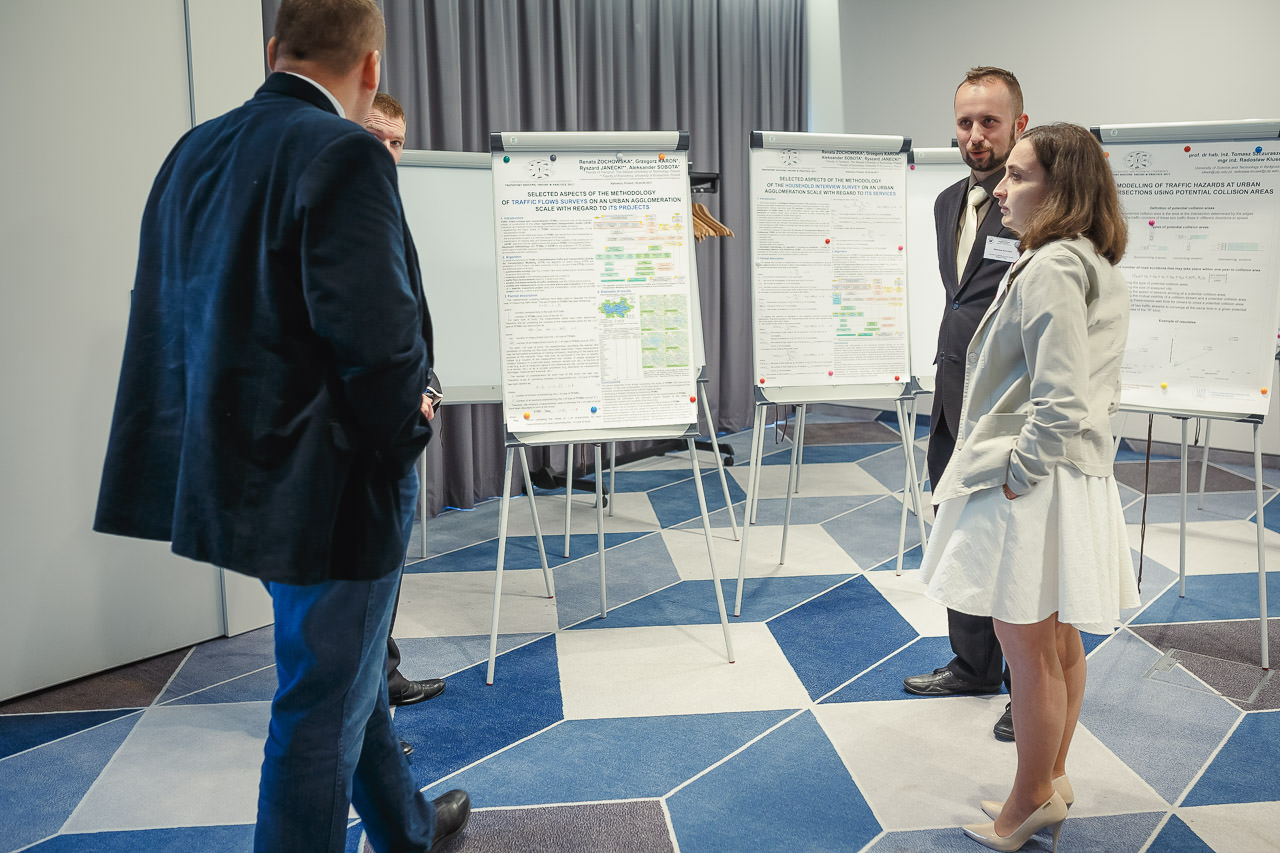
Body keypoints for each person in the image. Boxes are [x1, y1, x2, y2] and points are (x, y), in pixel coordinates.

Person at [92, 1, 469, 850]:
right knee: (319, 707)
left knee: (344, 672)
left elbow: (173, 312)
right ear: (370, 67)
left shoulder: (193, 150)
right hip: (337, 489)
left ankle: (407, 828)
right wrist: (413, 421)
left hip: (246, 475)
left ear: (274, 50)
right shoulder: (347, 153)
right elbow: (379, 342)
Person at [919, 122, 1139, 850]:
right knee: (1059, 639)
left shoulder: (1051, 266)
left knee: (1030, 652)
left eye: (1018, 176)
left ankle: (1028, 801)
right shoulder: (1090, 258)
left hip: (1036, 484)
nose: (1001, 189)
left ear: (1060, 188)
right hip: (1069, 478)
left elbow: (1059, 398)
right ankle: (1053, 779)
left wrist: (1017, 474)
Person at [904, 67, 1028, 744]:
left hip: (1007, 404)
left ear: (1019, 126)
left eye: (989, 122)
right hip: (952, 396)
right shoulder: (947, 200)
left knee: (1016, 547)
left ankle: (1026, 689)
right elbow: (962, 300)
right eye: (965, 122)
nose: (976, 135)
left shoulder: (1042, 202)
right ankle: (975, 664)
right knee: (957, 531)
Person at [363, 91, 449, 715]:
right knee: (358, 585)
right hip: (364, 432)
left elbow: (407, 320)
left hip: (397, 420)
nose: (388, 153)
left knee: (382, 575)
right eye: (376, 138)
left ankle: (382, 680)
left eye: (397, 142)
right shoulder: (340, 212)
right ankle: (365, 731)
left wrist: (429, 385)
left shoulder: (385, 206)